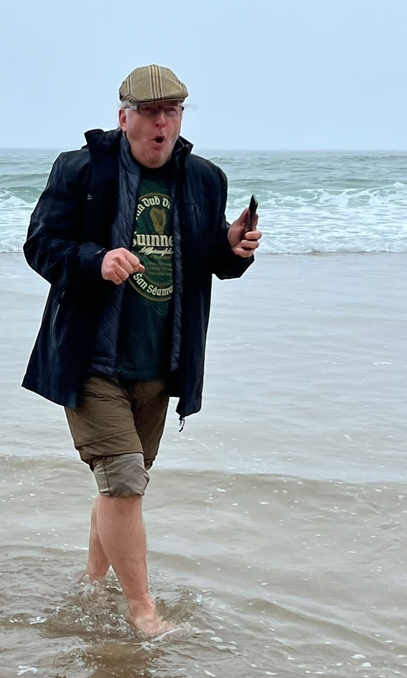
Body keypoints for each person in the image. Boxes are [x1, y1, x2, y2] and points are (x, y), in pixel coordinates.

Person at [22, 64, 261, 636]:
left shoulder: (205, 179)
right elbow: (40, 244)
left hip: (159, 359)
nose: (161, 122)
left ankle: (92, 584)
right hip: (90, 358)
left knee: (119, 484)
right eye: (150, 112)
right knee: (125, 478)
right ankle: (142, 613)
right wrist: (95, 260)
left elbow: (208, 261)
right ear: (123, 116)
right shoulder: (80, 171)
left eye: (172, 111)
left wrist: (234, 250)